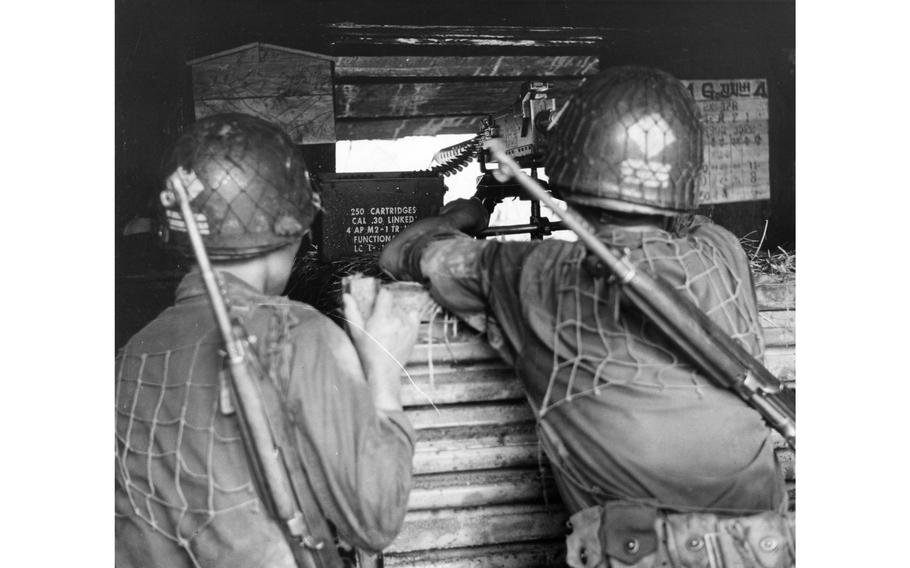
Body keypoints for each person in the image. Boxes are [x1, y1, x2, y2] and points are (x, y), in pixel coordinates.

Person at [379, 67, 793, 567]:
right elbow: (680, 222)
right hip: (764, 550)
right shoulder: (722, 250)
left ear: (567, 174)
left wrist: (461, 217)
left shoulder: (536, 274)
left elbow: (400, 254)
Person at [116, 113, 421, 568]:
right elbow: (374, 521)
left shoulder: (128, 355)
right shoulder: (297, 335)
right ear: (290, 230)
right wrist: (383, 370)